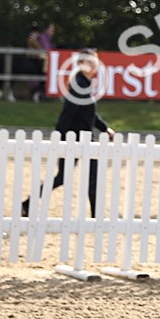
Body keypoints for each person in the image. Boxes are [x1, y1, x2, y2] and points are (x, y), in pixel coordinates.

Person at [20, 49, 116, 218]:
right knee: (67, 178)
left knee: (90, 177)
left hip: (85, 139)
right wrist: (60, 137)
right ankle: (28, 203)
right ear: (81, 64)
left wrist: (104, 128)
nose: (94, 65)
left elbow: (88, 113)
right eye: (89, 62)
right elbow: (67, 113)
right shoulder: (79, 85)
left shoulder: (84, 83)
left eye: (95, 61)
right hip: (75, 140)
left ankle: (96, 216)